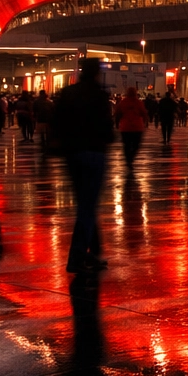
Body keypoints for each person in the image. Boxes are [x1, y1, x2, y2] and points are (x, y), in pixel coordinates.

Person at [54, 57, 117, 278]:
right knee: (87, 207)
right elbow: (106, 129)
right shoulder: (99, 96)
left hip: (72, 153)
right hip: (93, 153)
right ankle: (77, 256)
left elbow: (57, 121)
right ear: (96, 73)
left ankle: (92, 251)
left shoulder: (68, 93)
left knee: (86, 204)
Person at [114, 84, 147, 170]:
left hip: (125, 127)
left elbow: (117, 114)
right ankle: (131, 158)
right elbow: (144, 113)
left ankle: (128, 159)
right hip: (137, 127)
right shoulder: (138, 102)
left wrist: (117, 123)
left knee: (126, 145)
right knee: (136, 145)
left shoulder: (123, 102)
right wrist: (145, 122)